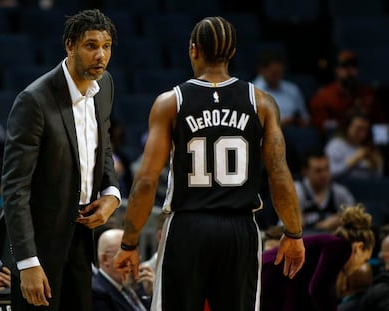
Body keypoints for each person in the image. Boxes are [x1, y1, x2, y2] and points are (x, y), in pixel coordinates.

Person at [114, 16, 305, 311]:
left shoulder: (170, 102)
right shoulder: (262, 102)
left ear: (193, 50)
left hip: (188, 226)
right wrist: (294, 232)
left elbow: (146, 181)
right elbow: (279, 175)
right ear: (232, 53)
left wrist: (129, 242)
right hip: (240, 229)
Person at [0, 9, 121, 311]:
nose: (100, 55)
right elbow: (15, 188)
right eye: (91, 46)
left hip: (80, 235)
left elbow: (103, 146)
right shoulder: (34, 100)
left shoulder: (105, 87)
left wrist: (111, 192)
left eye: (107, 46)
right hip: (40, 241)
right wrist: (27, 262)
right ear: (70, 46)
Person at [262, 204, 375, 311]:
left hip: (273, 275)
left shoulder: (333, 244)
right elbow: (318, 290)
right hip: (269, 272)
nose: (359, 267)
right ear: (359, 247)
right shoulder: (342, 247)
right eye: (364, 260)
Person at [310, 50, 384, 137]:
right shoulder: (324, 97)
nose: (350, 71)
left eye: (353, 66)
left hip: (368, 141)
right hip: (340, 141)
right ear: (336, 70)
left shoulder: (367, 92)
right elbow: (322, 128)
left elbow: (380, 123)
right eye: (344, 66)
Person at [92, 229, 153, 311]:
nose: (134, 264)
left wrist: (152, 294)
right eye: (127, 258)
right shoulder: (96, 292)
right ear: (105, 259)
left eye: (136, 256)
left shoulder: (138, 285)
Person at [295, 150, 355, 232]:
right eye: (318, 171)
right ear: (305, 171)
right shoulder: (296, 191)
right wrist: (322, 226)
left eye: (326, 169)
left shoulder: (340, 192)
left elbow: (355, 221)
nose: (324, 175)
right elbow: (289, 230)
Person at [253, 50, 310, 127]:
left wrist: (297, 121)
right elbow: (252, 124)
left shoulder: (292, 89)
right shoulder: (252, 90)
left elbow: (305, 118)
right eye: (273, 72)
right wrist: (280, 123)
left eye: (279, 72)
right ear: (262, 70)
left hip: (294, 130)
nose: (277, 76)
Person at [325, 110, 384, 180]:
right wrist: (355, 160)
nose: (362, 133)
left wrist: (376, 164)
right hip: (344, 186)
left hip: (367, 187)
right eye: (358, 128)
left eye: (365, 129)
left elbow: (378, 177)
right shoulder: (335, 145)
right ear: (347, 127)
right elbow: (330, 173)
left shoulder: (369, 147)